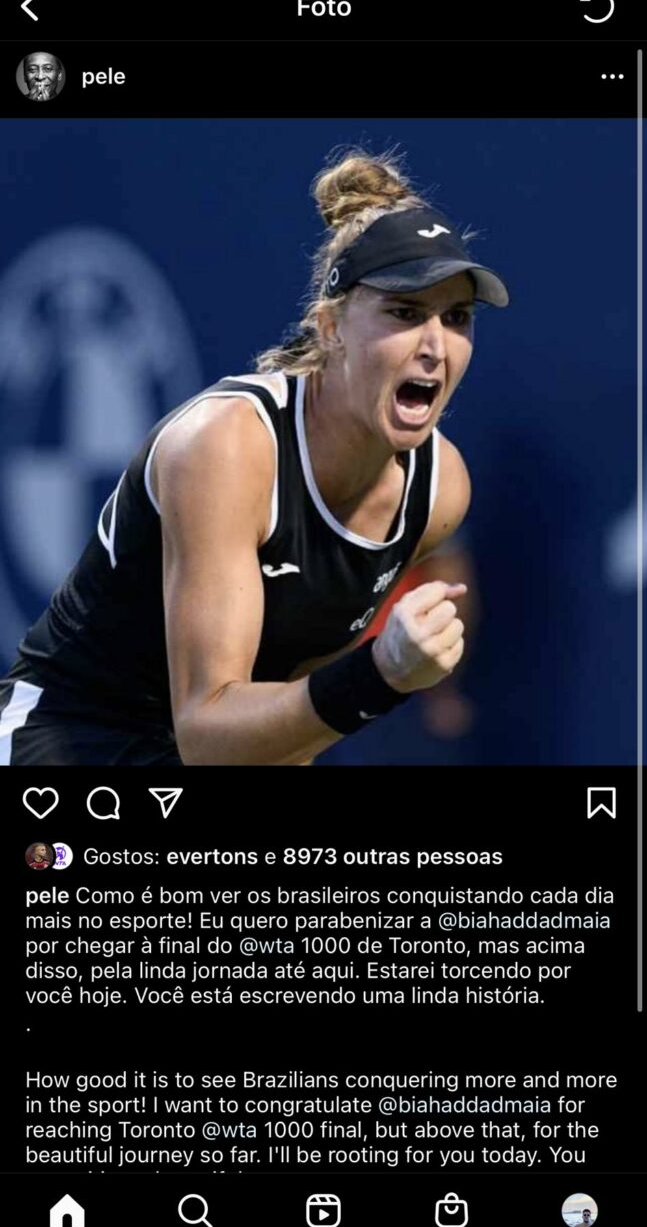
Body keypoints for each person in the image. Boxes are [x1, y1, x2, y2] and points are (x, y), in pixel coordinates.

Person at [0, 149, 509, 765]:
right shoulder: (225, 446)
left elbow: (286, 717)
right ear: (331, 328)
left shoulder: (440, 489)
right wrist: (380, 674)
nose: (436, 346)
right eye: (405, 312)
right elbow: (206, 730)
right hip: (64, 738)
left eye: (457, 317)